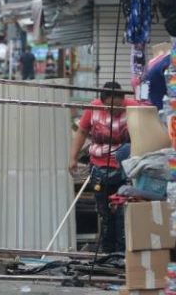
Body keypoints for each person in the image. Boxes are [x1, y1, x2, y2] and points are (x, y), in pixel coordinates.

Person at [68, 82, 138, 253]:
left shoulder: (134, 108)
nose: (113, 110)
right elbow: (82, 132)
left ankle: (122, 252)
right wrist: (73, 158)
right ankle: (107, 252)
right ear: (103, 102)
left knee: (122, 212)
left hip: (124, 170)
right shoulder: (94, 108)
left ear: (123, 100)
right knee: (104, 213)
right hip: (99, 168)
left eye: (117, 105)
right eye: (109, 106)